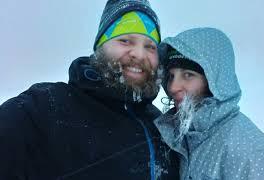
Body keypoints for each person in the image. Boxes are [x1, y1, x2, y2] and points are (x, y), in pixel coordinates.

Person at [0, 0, 179, 179]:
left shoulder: (162, 127)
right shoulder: (41, 108)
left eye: (150, 46)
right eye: (125, 40)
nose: (139, 54)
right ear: (100, 46)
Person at [155, 27, 264, 179]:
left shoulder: (253, 156)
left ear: (215, 81)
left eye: (188, 75)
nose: (172, 87)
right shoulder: (188, 138)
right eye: (171, 76)